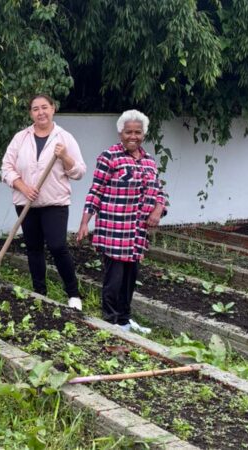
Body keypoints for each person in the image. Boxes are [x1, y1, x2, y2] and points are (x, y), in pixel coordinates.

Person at [77, 109, 167, 334]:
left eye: (138, 132)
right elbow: (95, 191)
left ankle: (125, 318)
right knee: (114, 277)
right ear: (121, 133)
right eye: (129, 132)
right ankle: (111, 320)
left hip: (137, 232)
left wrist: (158, 209)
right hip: (114, 230)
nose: (133, 136)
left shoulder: (149, 162)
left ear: (144, 134)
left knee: (130, 277)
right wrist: (84, 223)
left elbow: (160, 192)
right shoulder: (110, 157)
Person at [1, 94, 86, 310]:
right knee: (34, 248)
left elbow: (79, 172)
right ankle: (40, 292)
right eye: (35, 109)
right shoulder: (21, 138)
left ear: (53, 109)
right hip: (25, 202)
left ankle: (73, 294)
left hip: (55, 203)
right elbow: (6, 168)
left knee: (57, 246)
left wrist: (65, 156)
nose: (41, 112)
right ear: (31, 113)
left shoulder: (64, 138)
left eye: (44, 107)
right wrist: (23, 186)